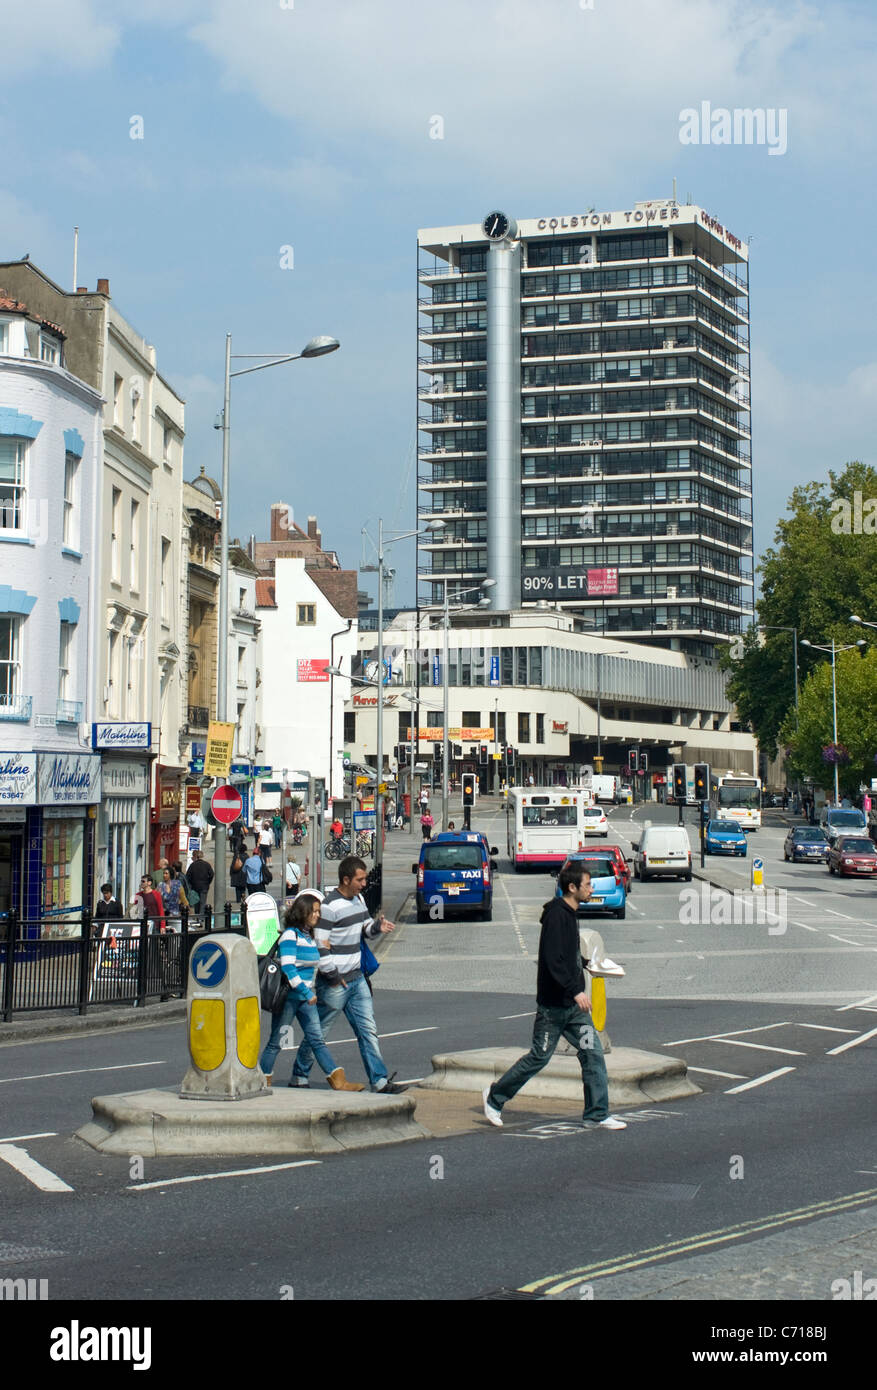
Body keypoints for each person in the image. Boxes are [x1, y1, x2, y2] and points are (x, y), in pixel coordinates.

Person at [482, 863, 627, 1131]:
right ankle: (494, 1098)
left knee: (592, 1053)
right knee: (539, 1057)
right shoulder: (557, 916)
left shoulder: (570, 913)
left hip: (573, 1011)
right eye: (587, 885)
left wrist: (587, 963)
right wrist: (576, 991)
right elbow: (552, 960)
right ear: (572, 888)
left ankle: (596, 1114)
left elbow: (566, 953)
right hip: (553, 1008)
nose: (591, 889)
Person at [290, 856, 406, 1094]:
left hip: (357, 978)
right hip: (334, 983)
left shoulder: (359, 899)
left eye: (364, 879)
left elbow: (365, 930)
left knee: (368, 1030)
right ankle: (299, 1074)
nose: (364, 884)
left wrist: (377, 927)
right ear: (346, 879)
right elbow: (320, 945)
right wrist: (333, 976)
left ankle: (380, 1081)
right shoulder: (330, 907)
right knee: (319, 1032)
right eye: (360, 879)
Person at [260, 891, 364, 1091]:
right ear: (303, 912)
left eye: (318, 911)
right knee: (276, 1042)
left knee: (317, 1039)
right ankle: (262, 1079)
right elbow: (288, 967)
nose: (318, 915)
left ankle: (338, 1081)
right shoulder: (290, 935)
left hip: (305, 999)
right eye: (314, 911)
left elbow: (314, 960)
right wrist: (307, 993)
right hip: (290, 999)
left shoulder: (308, 936)